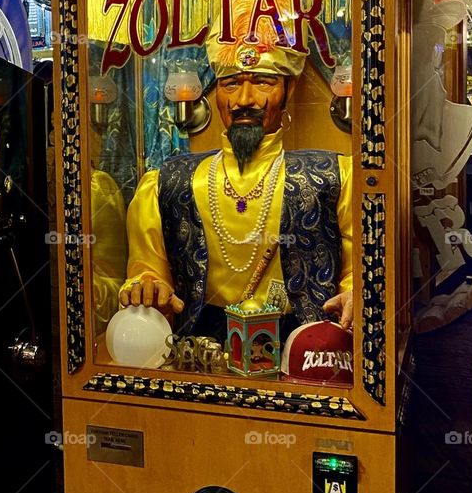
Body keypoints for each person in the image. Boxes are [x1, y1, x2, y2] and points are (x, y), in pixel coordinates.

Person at [118, 34, 353, 343]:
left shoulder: (334, 176)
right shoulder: (167, 181)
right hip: (200, 349)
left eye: (262, 82)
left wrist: (356, 294)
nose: (244, 100)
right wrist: (147, 284)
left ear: (289, 89)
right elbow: (146, 271)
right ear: (216, 94)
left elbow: (360, 273)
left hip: (307, 349)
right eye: (231, 84)